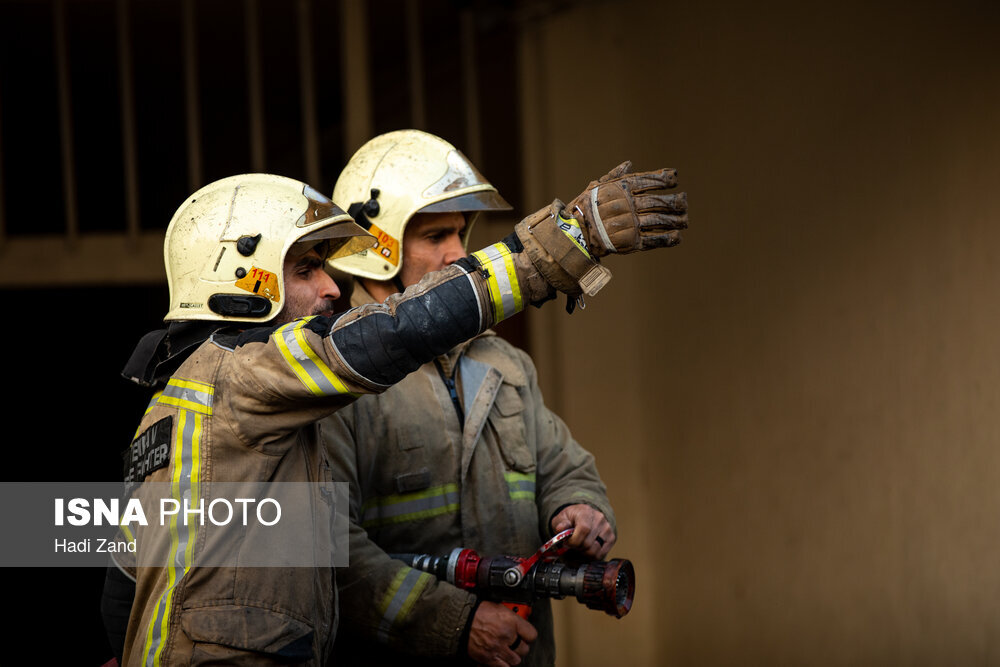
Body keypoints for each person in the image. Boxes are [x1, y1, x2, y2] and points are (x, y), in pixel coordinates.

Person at [107, 160, 686, 666]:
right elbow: (394, 332)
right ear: (241, 283)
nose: (332, 288)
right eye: (306, 270)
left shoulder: (178, 402)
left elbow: (120, 589)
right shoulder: (246, 372)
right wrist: (560, 243)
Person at [321, 131, 687, 666]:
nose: (458, 253)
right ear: (376, 252)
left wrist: (578, 508)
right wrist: (455, 623)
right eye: (435, 236)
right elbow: (329, 552)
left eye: (459, 233)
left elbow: (565, 468)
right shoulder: (337, 381)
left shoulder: (506, 363)